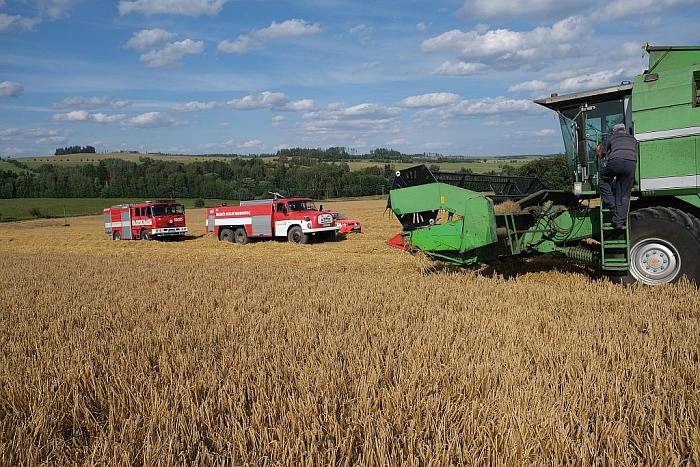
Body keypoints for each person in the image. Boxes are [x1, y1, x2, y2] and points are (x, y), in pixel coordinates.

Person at [595, 123, 638, 229]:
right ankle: (618, 222)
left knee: (603, 179)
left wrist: (597, 151)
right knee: (623, 194)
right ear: (624, 130)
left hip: (616, 162)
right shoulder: (633, 139)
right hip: (631, 164)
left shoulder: (611, 137)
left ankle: (611, 202)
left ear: (614, 131)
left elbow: (602, 155)